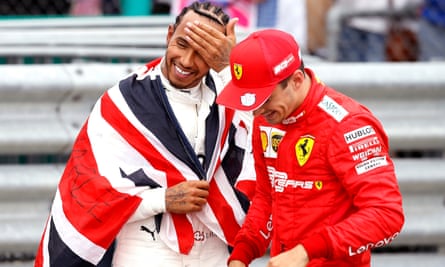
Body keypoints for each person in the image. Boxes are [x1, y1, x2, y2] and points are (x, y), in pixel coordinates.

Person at [34, 2, 256, 266]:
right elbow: (91, 192)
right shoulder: (124, 102)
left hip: (214, 244)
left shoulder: (229, 94)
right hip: (146, 242)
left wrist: (230, 68)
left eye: (202, 53)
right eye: (182, 45)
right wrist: (162, 199)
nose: (186, 61)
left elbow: (262, 141)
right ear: (169, 34)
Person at [216, 29, 405, 266]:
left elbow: (387, 214)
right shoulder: (267, 118)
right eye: (250, 100)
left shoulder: (348, 125)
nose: (256, 111)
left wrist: (307, 251)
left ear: (295, 80)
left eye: (263, 99)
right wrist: (241, 255)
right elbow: (267, 197)